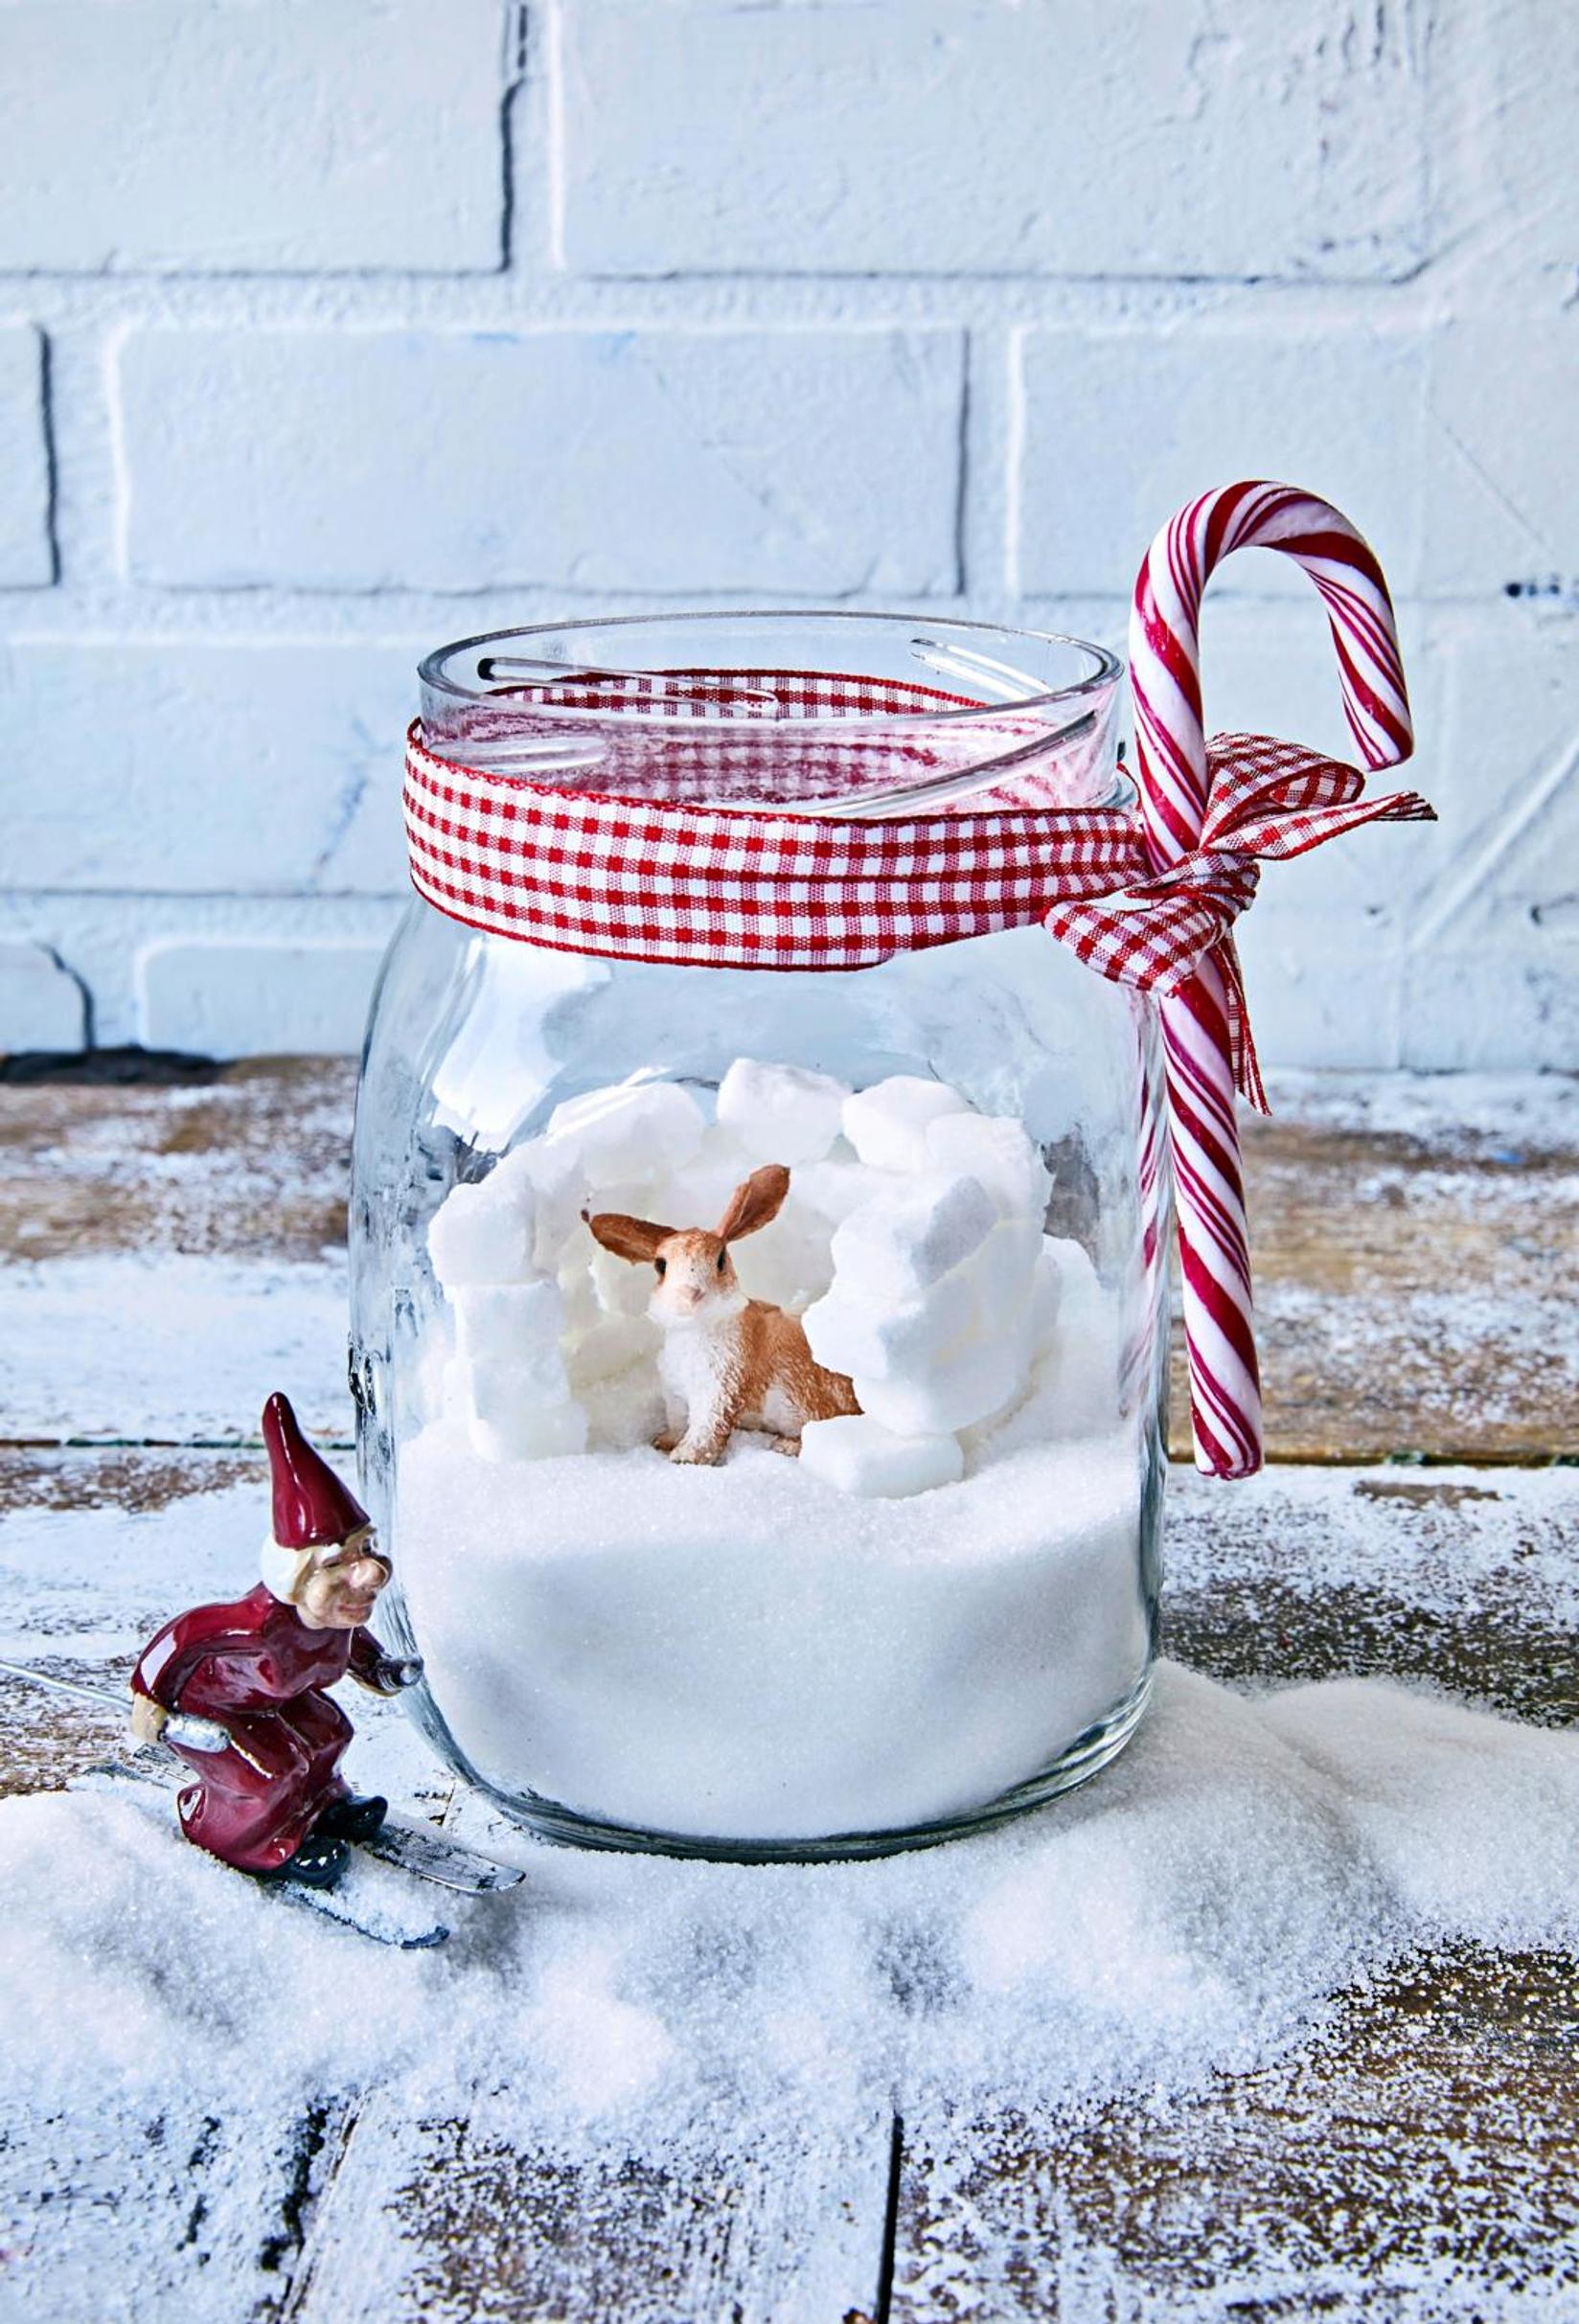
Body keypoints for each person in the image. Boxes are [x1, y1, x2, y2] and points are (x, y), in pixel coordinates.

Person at [129, 1391, 421, 1887]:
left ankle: (322, 1808)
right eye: (340, 1562)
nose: (370, 1572)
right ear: (298, 1574)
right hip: (215, 1713)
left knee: (330, 1734)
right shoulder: (256, 1625)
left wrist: (379, 1669)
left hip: (275, 1704)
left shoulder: (331, 1616)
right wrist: (149, 1698)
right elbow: (183, 1636)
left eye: (366, 1549)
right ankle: (248, 1842)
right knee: (272, 1772)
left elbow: (352, 1643)